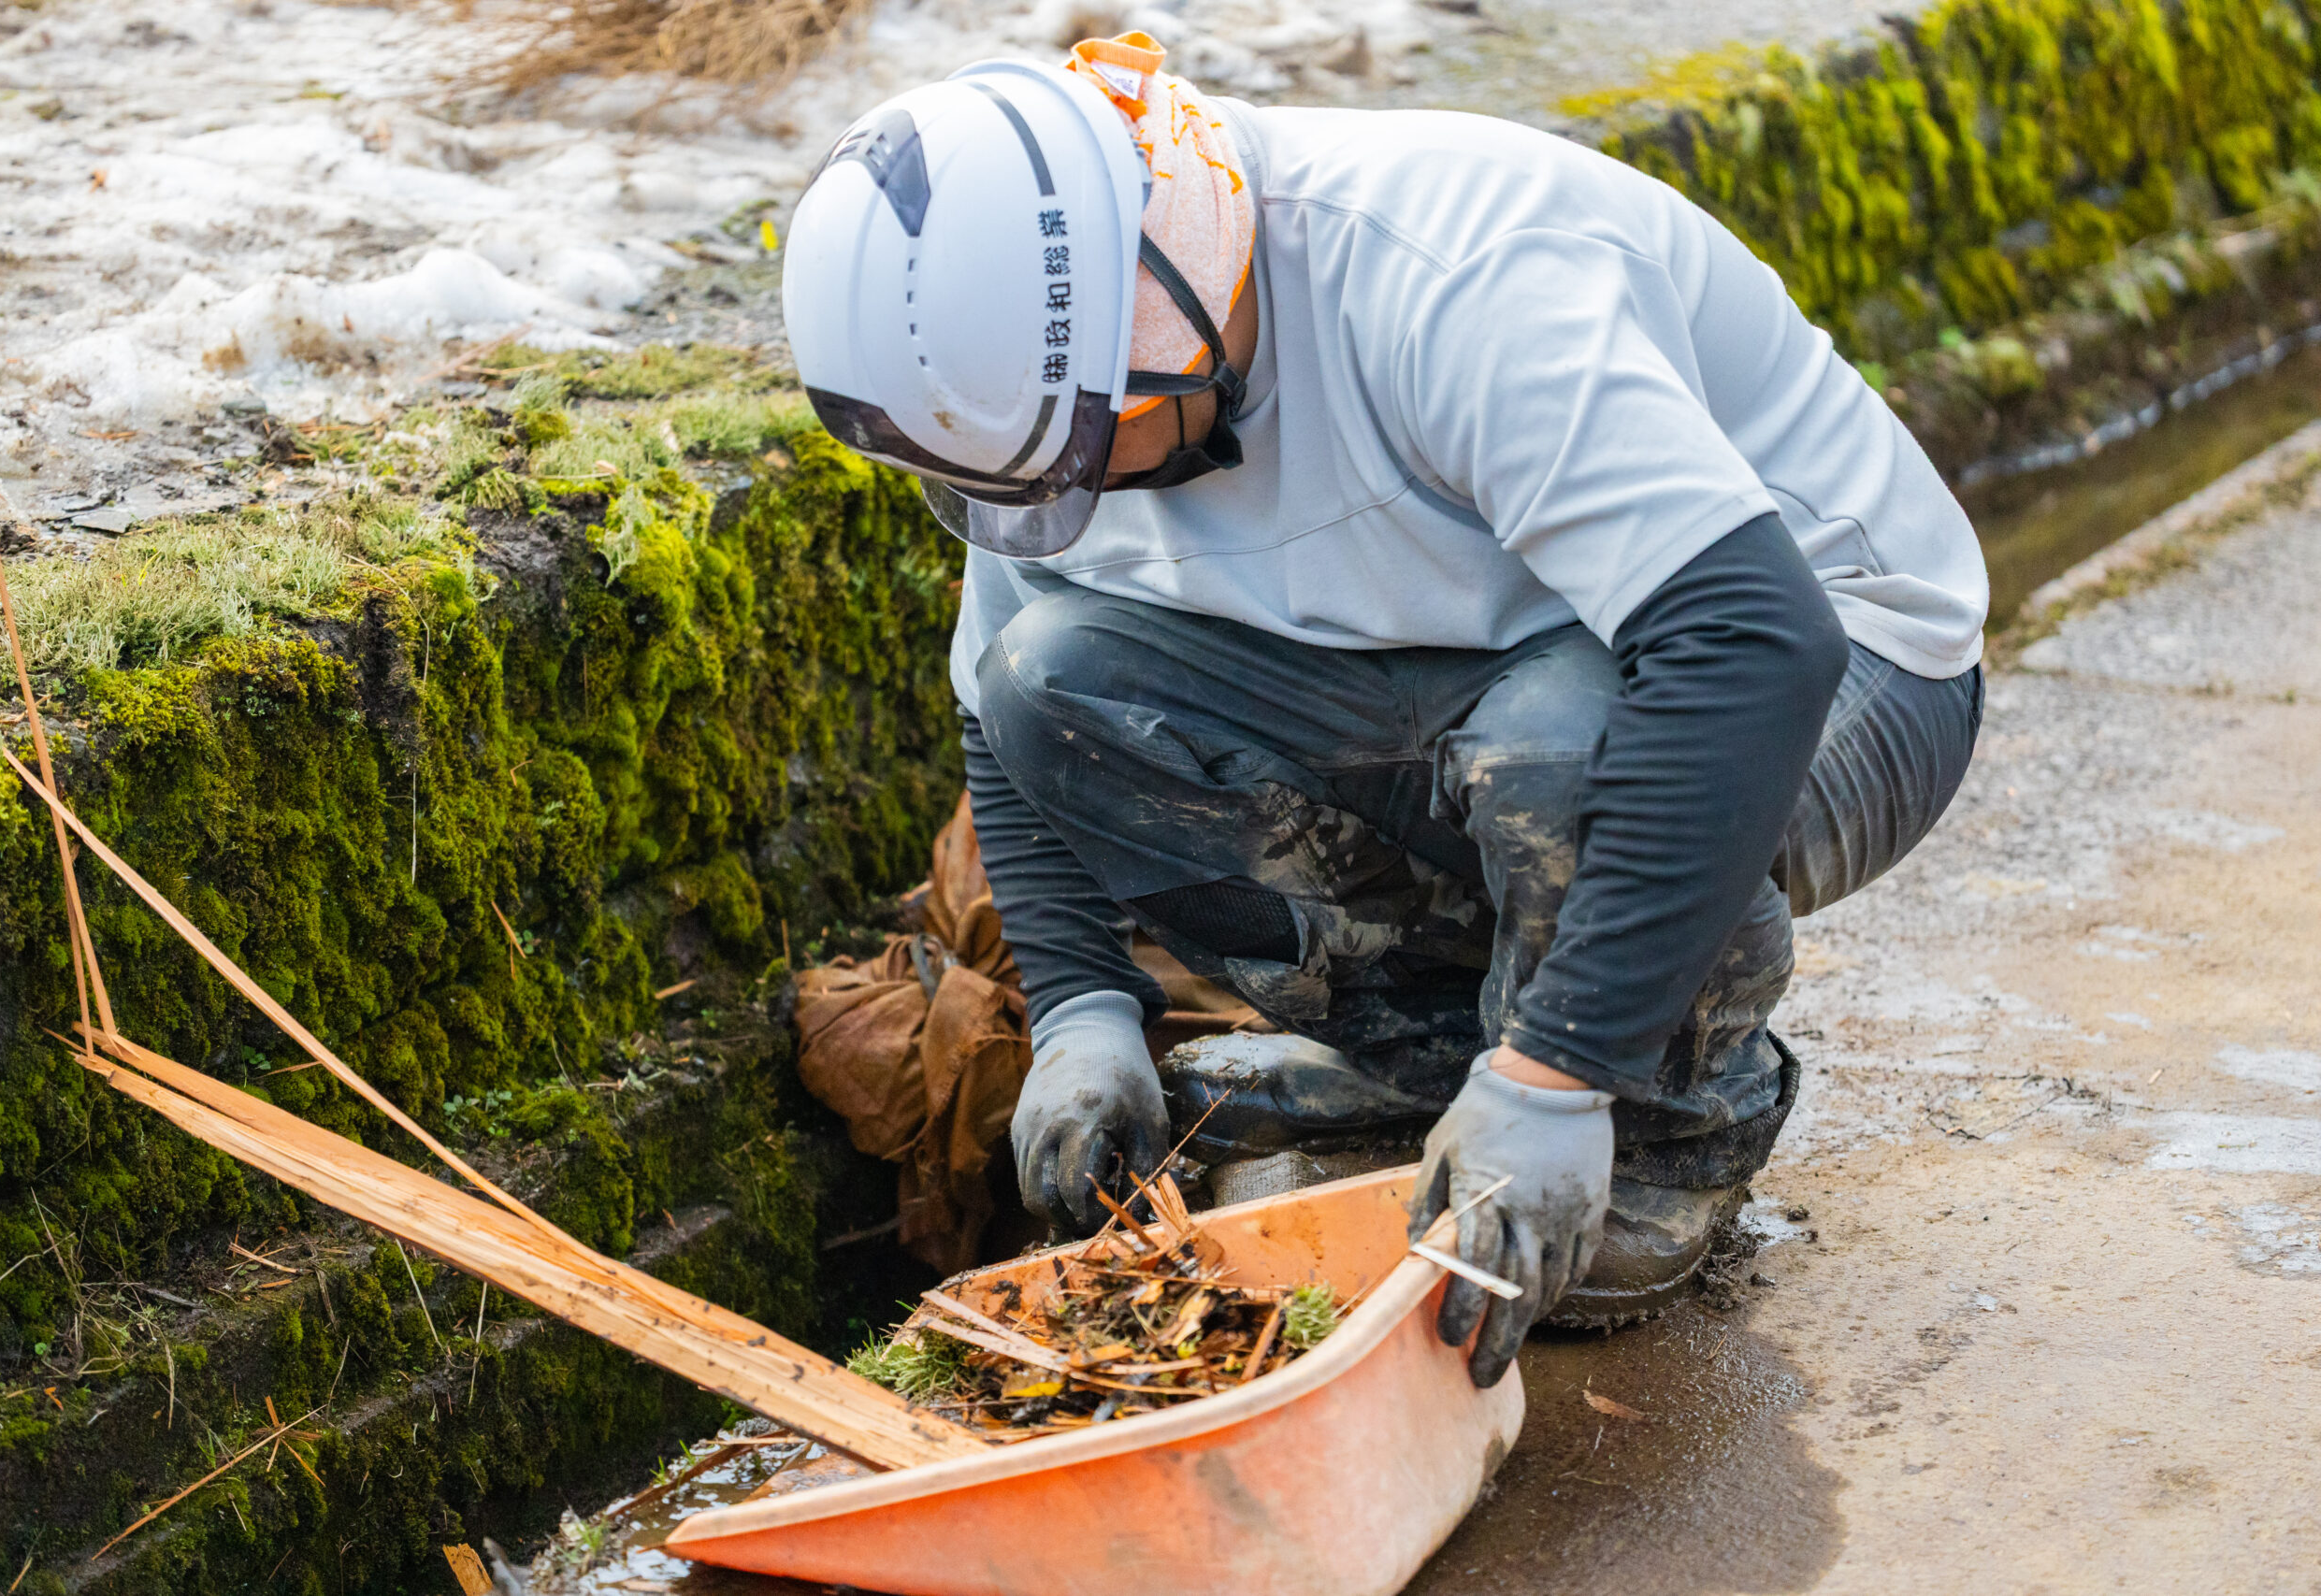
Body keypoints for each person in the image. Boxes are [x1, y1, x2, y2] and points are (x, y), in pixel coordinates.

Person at [781, 34, 1987, 1387]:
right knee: (1051, 683)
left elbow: (1751, 647)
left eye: (1092, 452)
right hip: (1476, 655)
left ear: (1168, 292)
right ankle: (1446, 1062)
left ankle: (1660, 1109)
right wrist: (1081, 1010)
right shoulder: (1058, 396)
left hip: (1840, 662)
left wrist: (1560, 1075)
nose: (1075, 502)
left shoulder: (1447, 278)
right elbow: (994, 720)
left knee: (1557, 750)